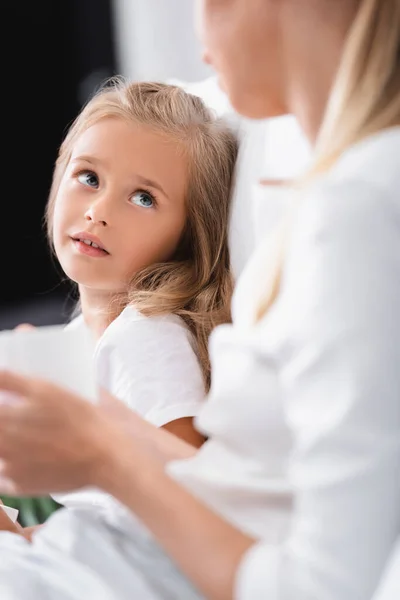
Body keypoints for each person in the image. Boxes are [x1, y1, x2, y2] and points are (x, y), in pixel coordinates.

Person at [0, 0, 399, 598]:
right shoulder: (324, 192)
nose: (198, 16)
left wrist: (101, 449)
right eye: (86, 177)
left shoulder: (362, 209)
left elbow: (323, 583)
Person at [1, 78, 238, 534]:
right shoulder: (86, 335)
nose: (99, 211)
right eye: (88, 177)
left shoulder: (146, 339)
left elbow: (187, 508)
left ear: (189, 235)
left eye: (143, 198)